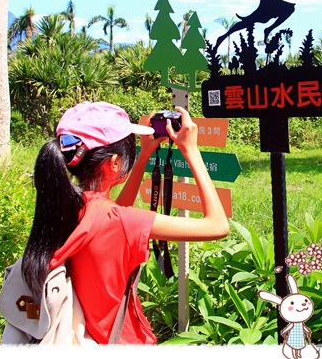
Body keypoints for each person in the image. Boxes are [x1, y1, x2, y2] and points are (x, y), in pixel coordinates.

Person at [20, 101, 230, 344]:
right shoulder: (117, 220)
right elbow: (218, 226)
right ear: (115, 163)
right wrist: (191, 151)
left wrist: (143, 157)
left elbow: (116, 212)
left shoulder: (67, 207)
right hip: (123, 341)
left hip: (82, 338)